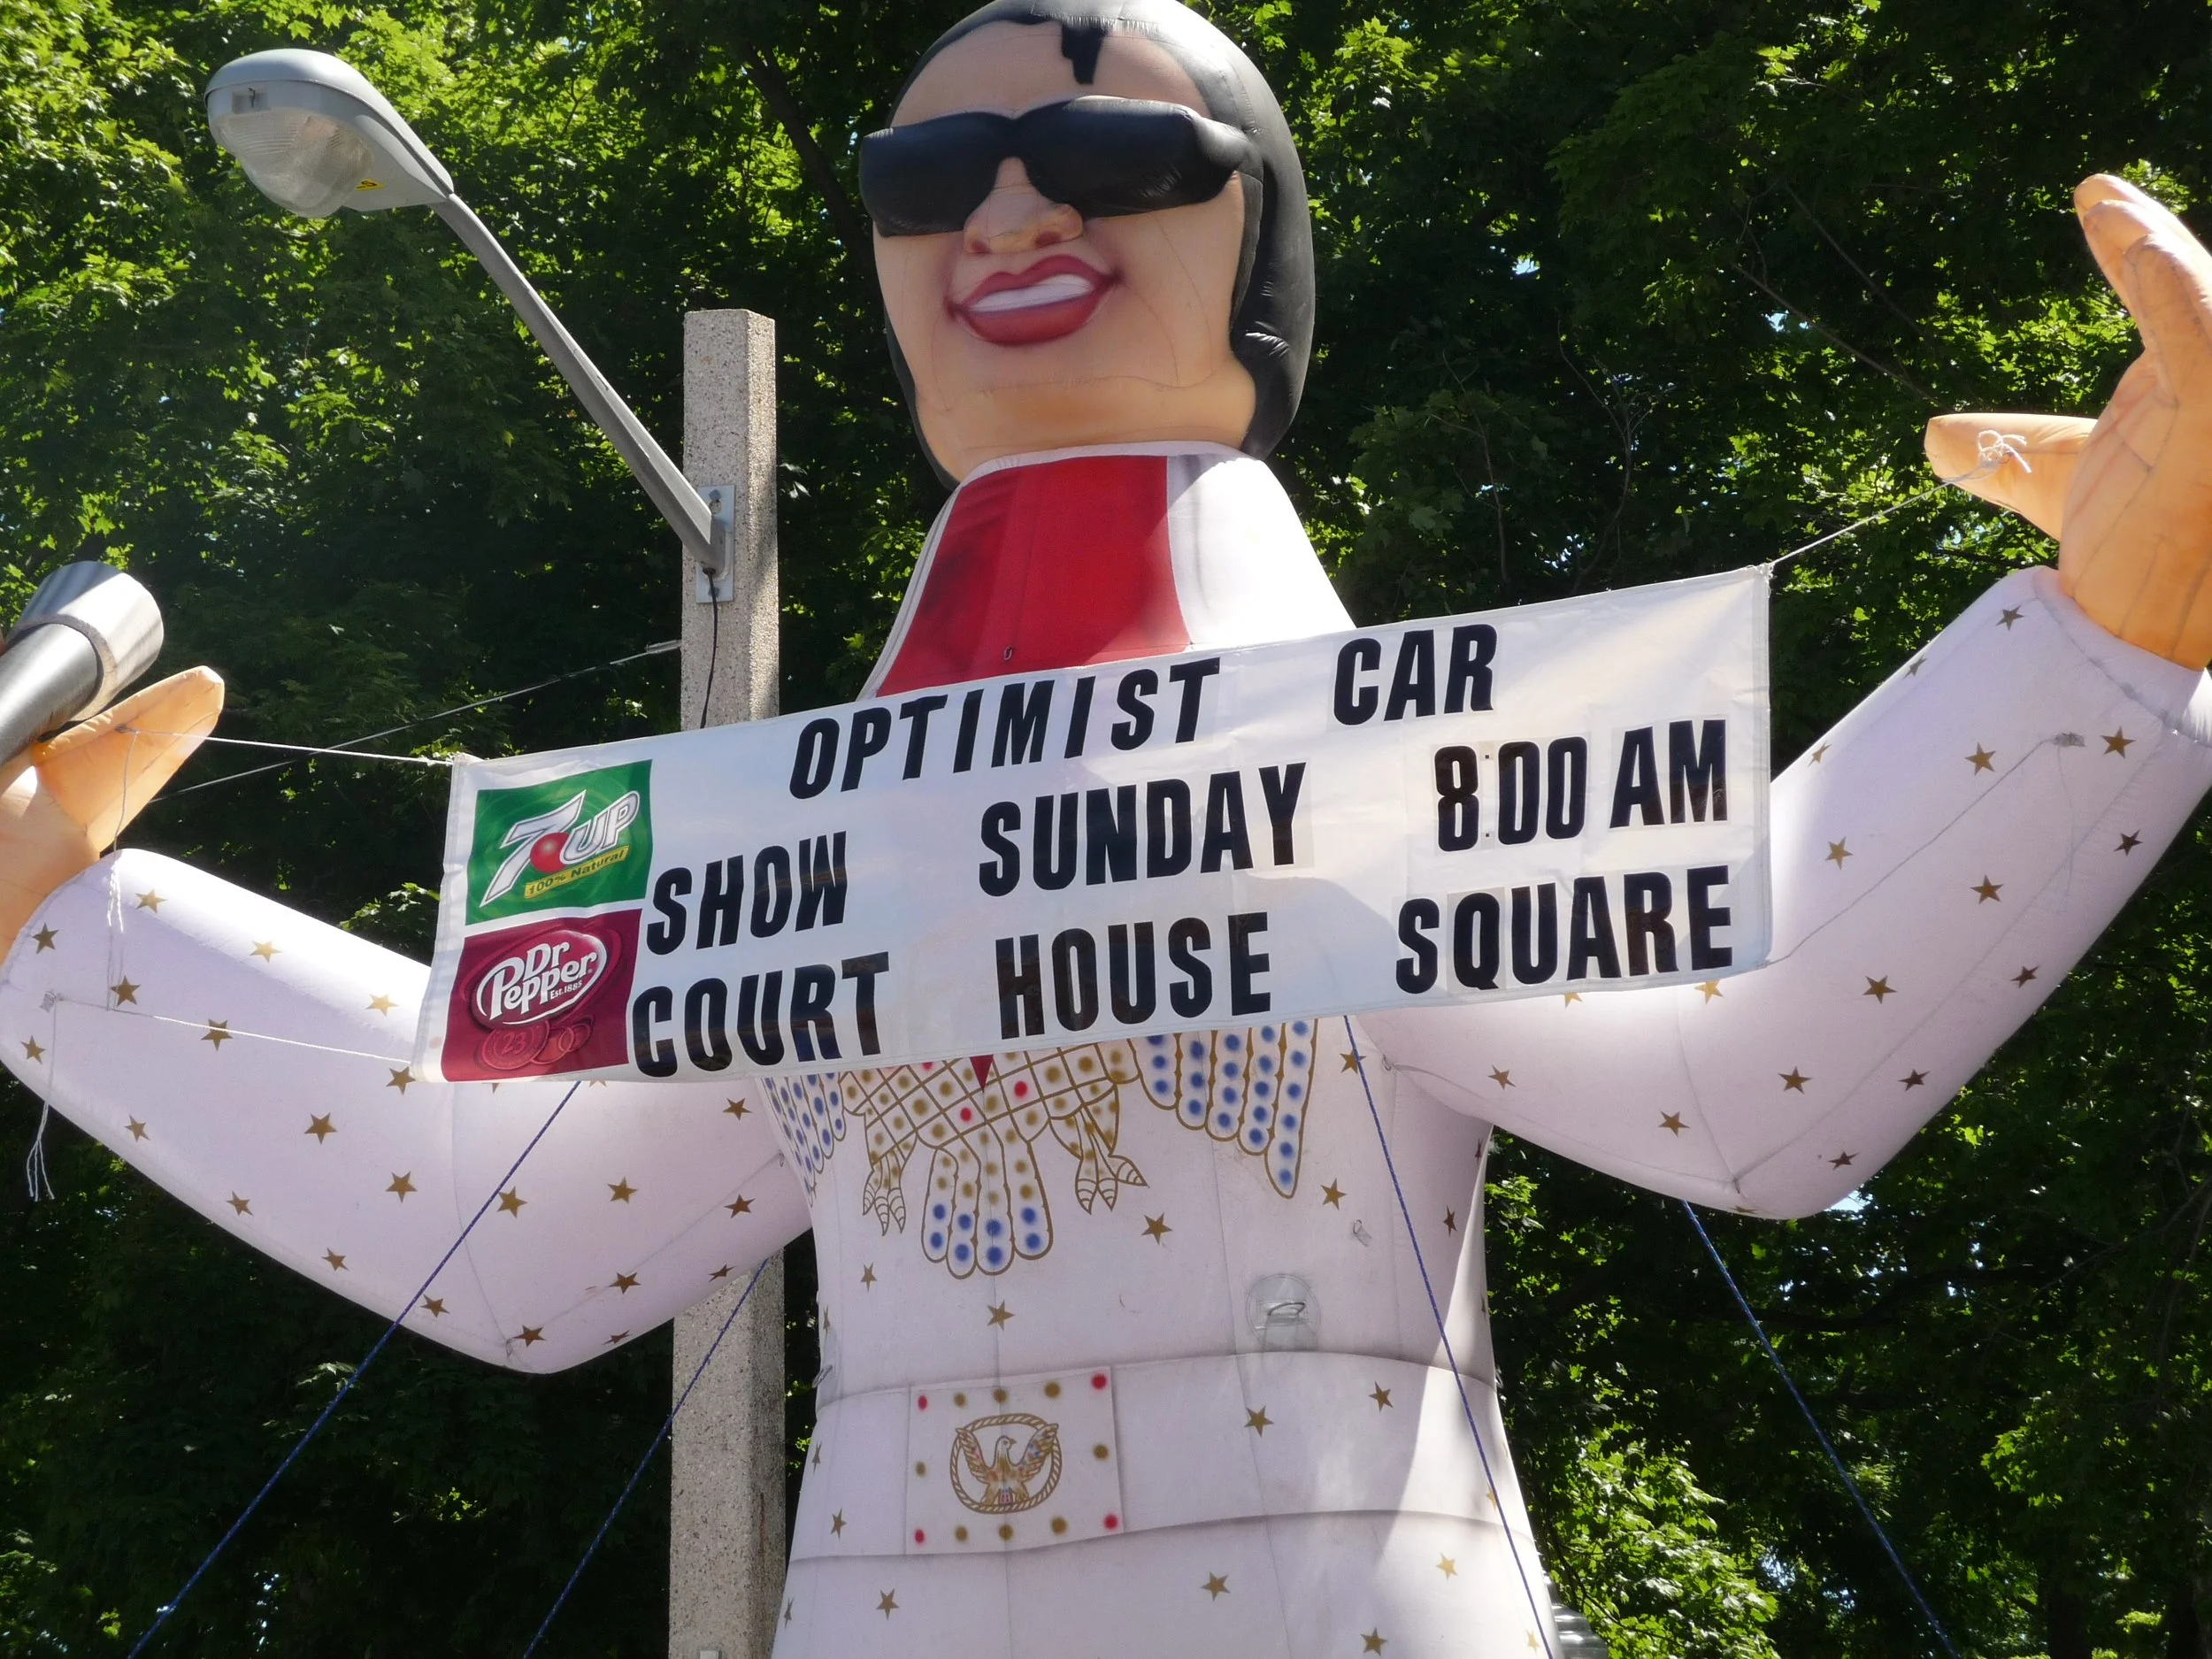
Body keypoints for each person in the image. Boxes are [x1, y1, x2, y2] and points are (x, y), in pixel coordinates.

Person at [7, 2, 2212, 1652]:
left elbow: (1742, 1071)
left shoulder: (1376, 768)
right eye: (924, 175)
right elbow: (531, 1232)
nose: (1007, 212)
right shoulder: (811, 839)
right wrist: (64, 938)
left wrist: (2107, 644)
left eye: (1100, 148)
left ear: (1256, 237)